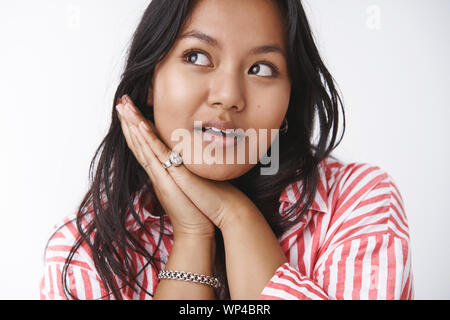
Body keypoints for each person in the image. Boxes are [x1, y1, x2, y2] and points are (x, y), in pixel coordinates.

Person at [40, 0, 413, 300]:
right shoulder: (82, 253)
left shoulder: (358, 203)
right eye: (197, 57)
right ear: (151, 81)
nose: (229, 96)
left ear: (288, 100)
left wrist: (233, 214)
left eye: (262, 68)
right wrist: (192, 234)